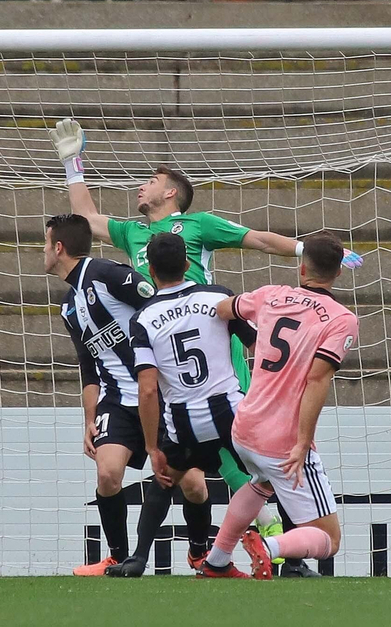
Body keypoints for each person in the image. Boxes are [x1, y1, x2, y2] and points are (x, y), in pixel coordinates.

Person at [49, 117, 360, 575]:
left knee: (237, 452)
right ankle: (204, 555)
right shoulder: (134, 234)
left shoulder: (197, 225)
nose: (142, 186)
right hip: (161, 349)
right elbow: (85, 220)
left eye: (152, 180)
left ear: (171, 192)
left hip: (212, 340)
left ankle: (276, 545)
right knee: (194, 464)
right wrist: (73, 165)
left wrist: (304, 251)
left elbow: (256, 239)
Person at [197, 233, 357, 579]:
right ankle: (268, 548)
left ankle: (217, 560)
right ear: (339, 272)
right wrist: (302, 441)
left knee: (260, 482)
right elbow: (316, 381)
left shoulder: (272, 295)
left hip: (245, 425)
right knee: (330, 538)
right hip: (281, 439)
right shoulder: (341, 319)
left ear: (301, 269)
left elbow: (223, 310)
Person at [107, 232, 259, 578]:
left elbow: (147, 390)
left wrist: (150, 446)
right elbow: (257, 345)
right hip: (230, 412)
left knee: (164, 480)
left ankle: (138, 559)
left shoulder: (143, 318)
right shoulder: (219, 296)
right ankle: (289, 558)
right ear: (188, 264)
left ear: (152, 272)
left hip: (183, 421)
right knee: (266, 477)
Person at [43, 213, 159, 576]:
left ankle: (203, 553)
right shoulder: (68, 306)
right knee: (108, 475)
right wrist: (90, 420)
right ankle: (119, 558)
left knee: (191, 483)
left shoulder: (107, 274)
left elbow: (160, 306)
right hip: (115, 399)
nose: (42, 252)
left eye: (45, 245)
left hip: (155, 392)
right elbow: (88, 365)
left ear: (58, 248)